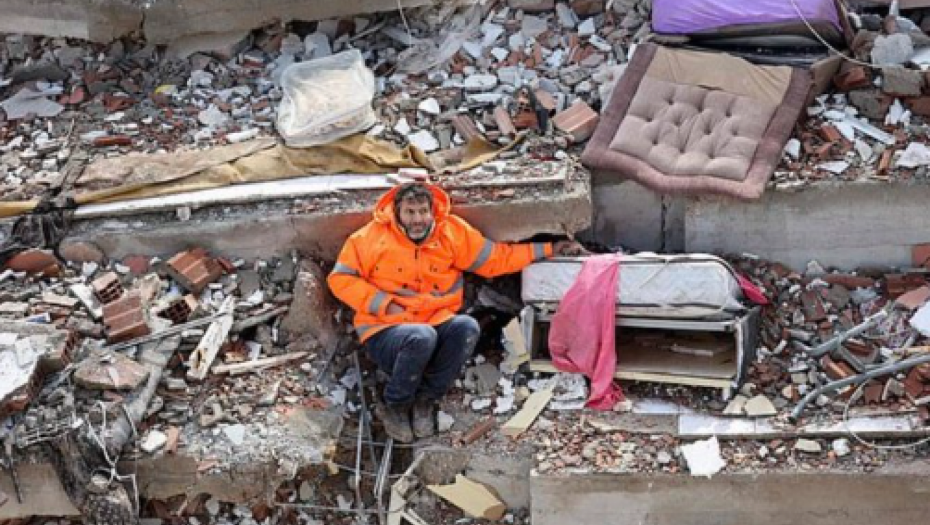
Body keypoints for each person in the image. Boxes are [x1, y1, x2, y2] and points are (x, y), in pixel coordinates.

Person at [327, 182, 584, 442]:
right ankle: (395, 404)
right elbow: (340, 279)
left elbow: (496, 259)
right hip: (385, 329)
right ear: (397, 213)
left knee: (466, 328)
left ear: (432, 211)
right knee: (421, 337)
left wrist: (551, 249)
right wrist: (382, 303)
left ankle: (426, 401)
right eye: (410, 212)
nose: (418, 220)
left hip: (435, 323)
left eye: (423, 211)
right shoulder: (369, 238)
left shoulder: (451, 232)